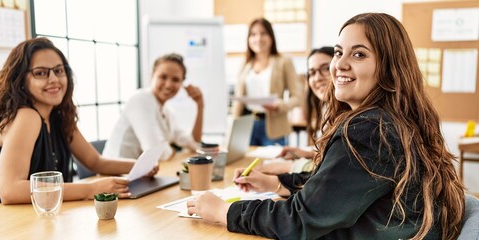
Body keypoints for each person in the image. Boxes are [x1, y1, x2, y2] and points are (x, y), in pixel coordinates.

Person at [186, 13, 465, 239]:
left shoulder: (369, 130)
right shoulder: (392, 120)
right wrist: (277, 183)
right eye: (338, 52)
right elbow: (336, 186)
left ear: (389, 68)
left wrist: (224, 211)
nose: (339, 65)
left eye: (358, 55)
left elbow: (300, 221)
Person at [0, 37, 158, 206]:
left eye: (59, 71)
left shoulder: (58, 117)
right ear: (20, 80)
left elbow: (95, 162)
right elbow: (10, 190)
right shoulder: (26, 116)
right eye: (40, 73)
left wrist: (138, 167)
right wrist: (90, 189)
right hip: (6, 224)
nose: (54, 79)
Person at [103, 53, 203, 161]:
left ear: (181, 84)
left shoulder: (167, 111)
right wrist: (171, 151)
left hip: (141, 174)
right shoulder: (140, 100)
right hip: (115, 174)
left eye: (175, 80)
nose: (169, 85)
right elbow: (156, 153)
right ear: (152, 76)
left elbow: (193, 143)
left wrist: (200, 105)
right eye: (163, 77)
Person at [263, 47, 334, 174]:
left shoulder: (348, 115)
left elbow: (333, 168)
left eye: (325, 68)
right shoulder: (326, 107)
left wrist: (287, 167)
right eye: (311, 72)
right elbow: (331, 154)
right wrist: (306, 153)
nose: (317, 78)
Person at [231, 18, 301, 146]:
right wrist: (232, 129)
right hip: (246, 124)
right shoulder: (245, 64)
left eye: (263, 33)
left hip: (273, 126)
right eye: (253, 34)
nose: (258, 38)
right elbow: (238, 101)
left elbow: (297, 97)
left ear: (271, 36)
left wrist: (279, 105)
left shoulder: (284, 62)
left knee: (272, 164)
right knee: (244, 164)